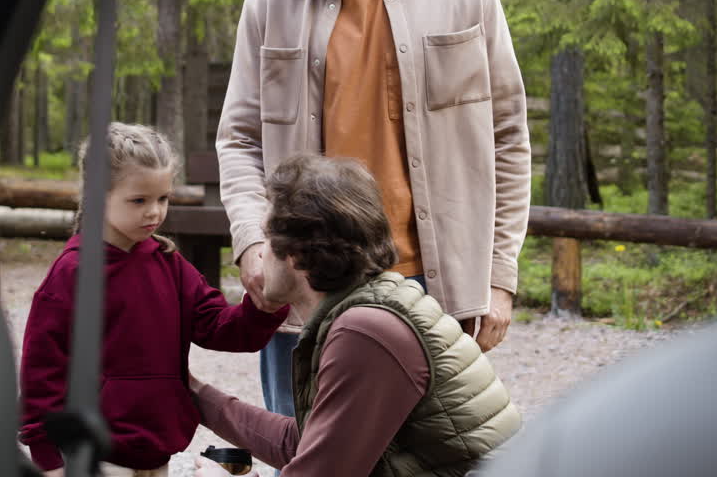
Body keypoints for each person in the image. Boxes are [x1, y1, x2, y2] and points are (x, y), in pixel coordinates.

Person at [216, 0, 531, 420]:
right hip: (305, 284)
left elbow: (509, 140)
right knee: (305, 455)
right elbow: (240, 138)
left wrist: (499, 277)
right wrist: (254, 242)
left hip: (432, 289)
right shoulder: (269, 1)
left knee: (426, 459)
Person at [191, 153, 522, 477]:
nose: (259, 252)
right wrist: (195, 395)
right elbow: (307, 443)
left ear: (295, 252)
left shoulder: (366, 332)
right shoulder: (368, 308)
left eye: (266, 235)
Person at [18, 123, 289, 477]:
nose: (155, 213)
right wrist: (49, 459)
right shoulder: (72, 273)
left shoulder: (169, 263)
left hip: (156, 452)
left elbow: (222, 330)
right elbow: (42, 374)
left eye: (163, 199)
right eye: (139, 200)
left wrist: (263, 306)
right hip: (94, 457)